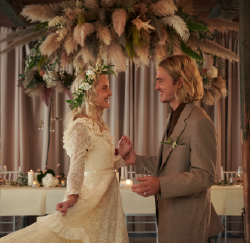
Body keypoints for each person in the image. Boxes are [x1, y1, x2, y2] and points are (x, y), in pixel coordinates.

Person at [0, 64, 131, 243]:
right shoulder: (80, 127)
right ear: (89, 92)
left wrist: (121, 155)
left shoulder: (101, 127)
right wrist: (71, 196)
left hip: (106, 199)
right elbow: (77, 164)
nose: (110, 93)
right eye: (104, 87)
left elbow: (104, 167)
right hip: (91, 198)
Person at [124, 55, 224, 243]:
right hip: (171, 215)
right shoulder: (175, 116)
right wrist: (136, 160)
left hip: (188, 221)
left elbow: (205, 175)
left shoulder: (199, 121)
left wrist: (161, 185)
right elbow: (172, 162)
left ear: (179, 82)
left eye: (160, 81)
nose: (156, 87)